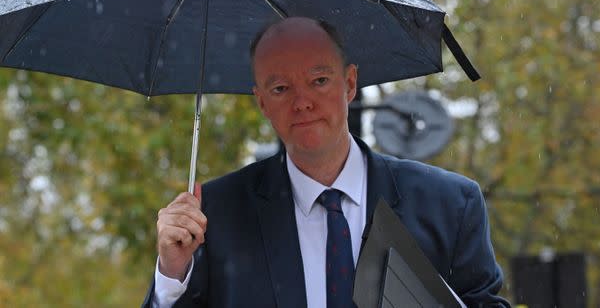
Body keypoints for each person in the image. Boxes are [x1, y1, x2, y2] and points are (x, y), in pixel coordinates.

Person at [142, 17, 509, 307]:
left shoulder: (449, 204)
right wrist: (172, 276)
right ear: (262, 102)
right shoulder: (214, 216)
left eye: (319, 80)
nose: (302, 102)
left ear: (349, 84)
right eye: (281, 88)